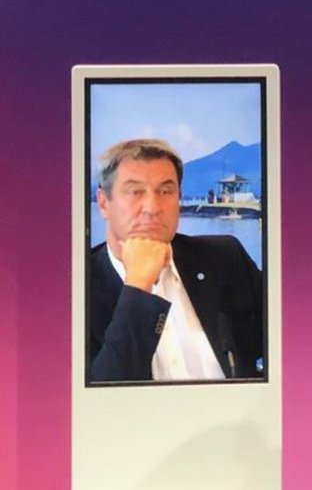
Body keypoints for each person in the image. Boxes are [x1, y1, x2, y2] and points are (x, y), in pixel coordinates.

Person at [89, 139, 263, 382]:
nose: (152, 207)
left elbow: (295, 342)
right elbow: (98, 397)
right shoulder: (77, 288)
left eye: (165, 191)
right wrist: (138, 286)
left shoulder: (225, 259)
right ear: (104, 203)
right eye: (135, 192)